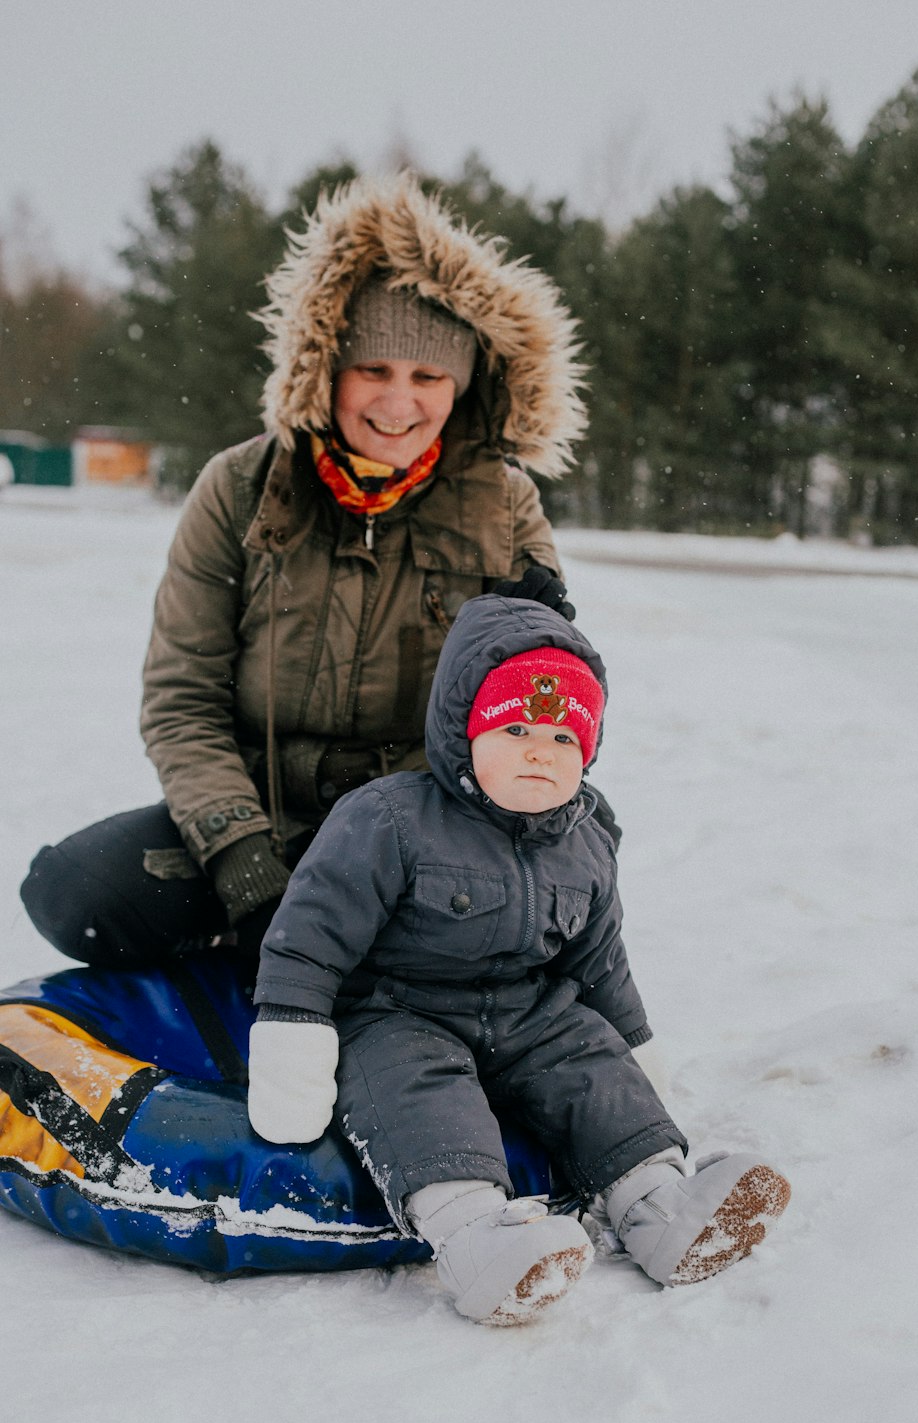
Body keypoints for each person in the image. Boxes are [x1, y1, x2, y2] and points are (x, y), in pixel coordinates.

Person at [20, 174, 589, 973]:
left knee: (534, 907)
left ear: (460, 388)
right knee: (76, 891)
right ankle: (256, 943)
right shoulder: (240, 487)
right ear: (327, 371)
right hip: (265, 814)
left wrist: (542, 647)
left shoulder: (504, 505)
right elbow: (183, 697)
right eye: (374, 370)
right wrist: (243, 859)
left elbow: (542, 712)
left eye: (427, 377)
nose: (399, 401)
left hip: (421, 826)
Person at [248, 592, 790, 1325]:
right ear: (461, 730)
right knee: (418, 1092)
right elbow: (311, 933)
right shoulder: (390, 819)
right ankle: (476, 1237)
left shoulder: (589, 839)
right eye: (517, 728)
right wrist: (293, 1031)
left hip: (528, 1013)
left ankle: (661, 1207)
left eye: (566, 738)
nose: (542, 749)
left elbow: (602, 960)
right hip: (401, 1011)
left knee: (589, 1060)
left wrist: (634, 1050)